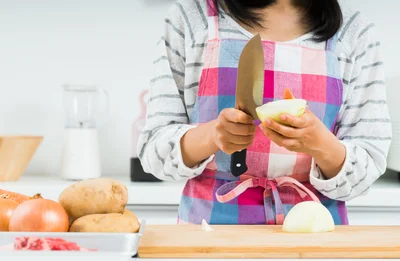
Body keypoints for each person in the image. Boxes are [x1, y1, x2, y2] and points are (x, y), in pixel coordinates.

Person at [137, 0, 392, 225]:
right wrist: (212, 137)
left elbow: (370, 164)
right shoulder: (191, 19)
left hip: (316, 236)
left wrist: (321, 144)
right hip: (208, 237)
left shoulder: (354, 33)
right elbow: (153, 150)